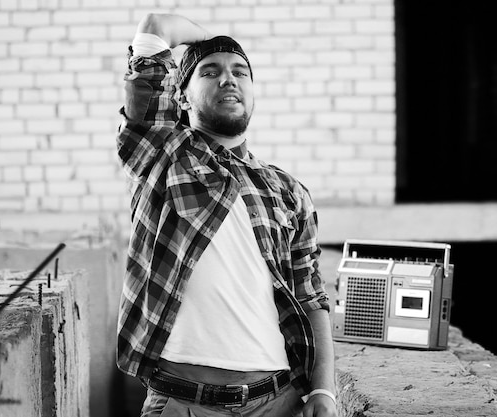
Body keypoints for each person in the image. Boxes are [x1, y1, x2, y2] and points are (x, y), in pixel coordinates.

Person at [115, 12, 337, 417]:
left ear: (253, 91)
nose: (228, 78)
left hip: (278, 402)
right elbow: (154, 28)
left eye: (240, 71)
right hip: (182, 404)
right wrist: (212, 38)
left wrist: (325, 391)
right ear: (181, 96)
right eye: (210, 71)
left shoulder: (288, 191)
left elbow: (310, 299)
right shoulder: (163, 155)